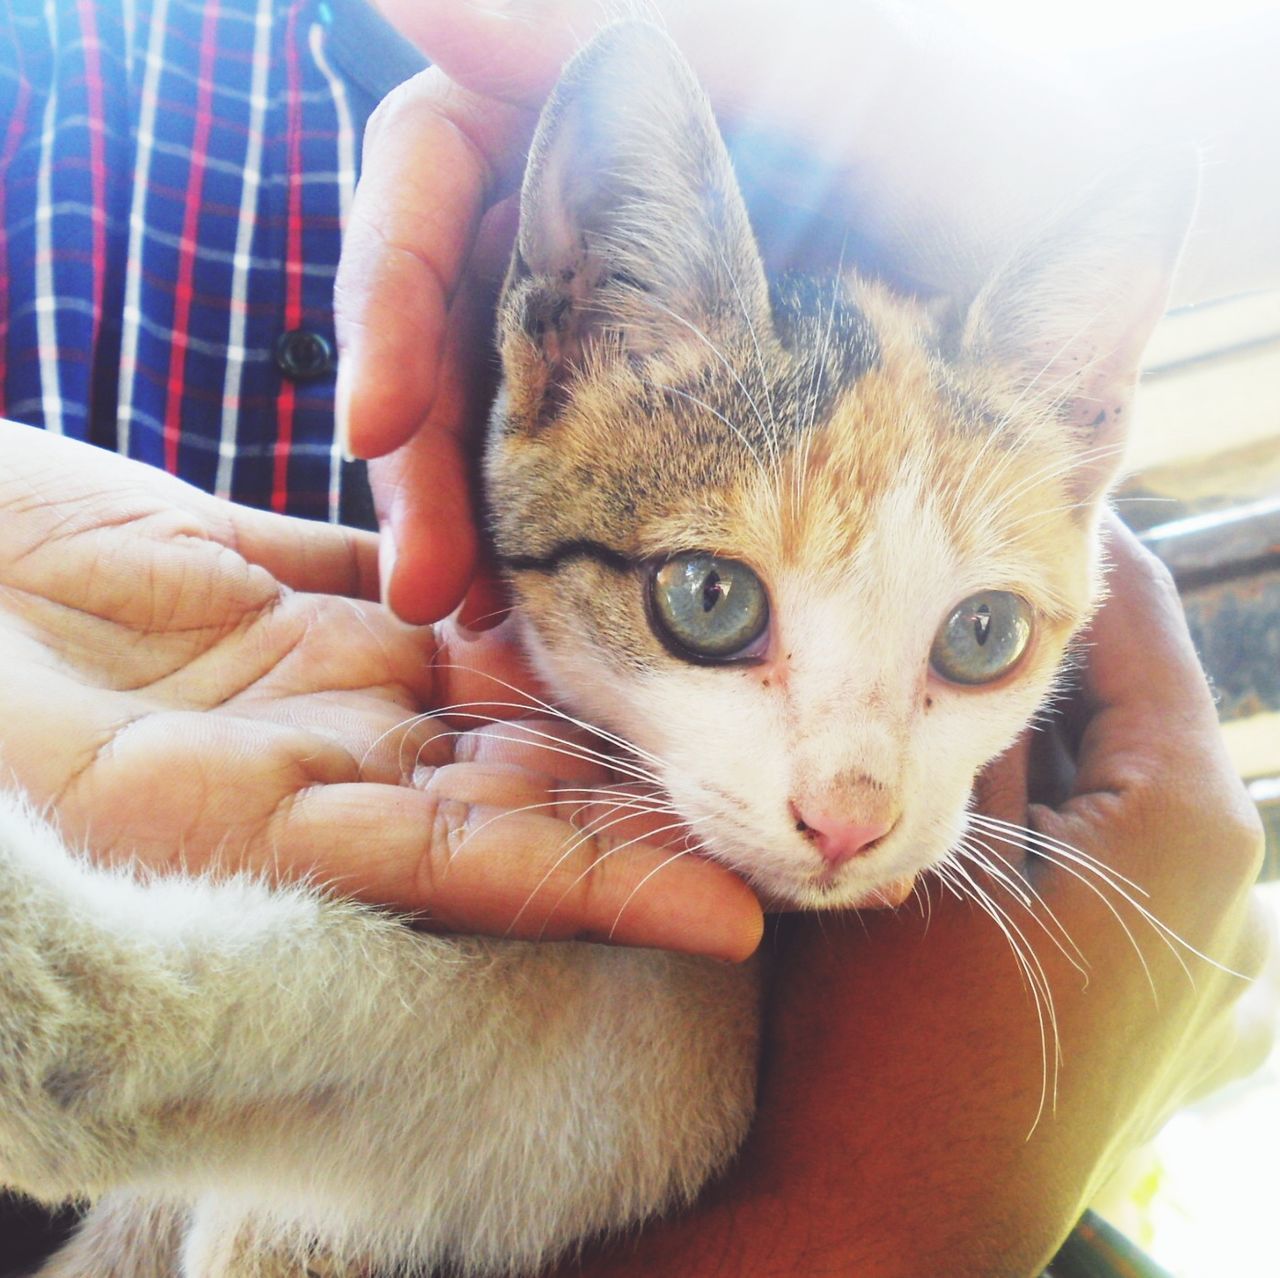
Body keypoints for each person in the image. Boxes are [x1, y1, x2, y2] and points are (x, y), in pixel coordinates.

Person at [0, 0, 1271, 1273]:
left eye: (977, 638)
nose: (850, 807)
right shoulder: (65, 71)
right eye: (713, 602)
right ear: (571, 348)